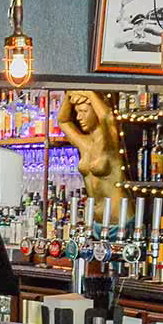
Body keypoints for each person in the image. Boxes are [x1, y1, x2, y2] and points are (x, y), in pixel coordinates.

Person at [57, 91, 126, 230]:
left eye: (84, 111)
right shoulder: (85, 144)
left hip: (120, 221)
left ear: (95, 112)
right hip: (95, 223)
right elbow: (63, 121)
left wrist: (89, 92)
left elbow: (107, 117)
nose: (79, 117)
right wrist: (70, 94)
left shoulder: (110, 143)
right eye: (77, 112)